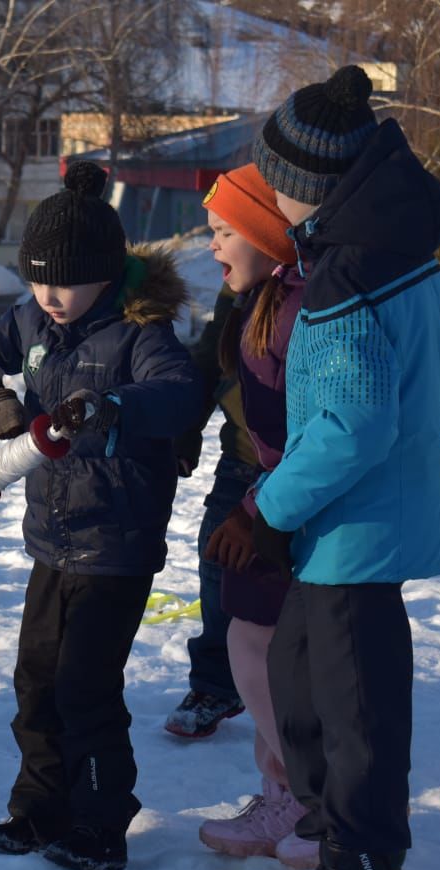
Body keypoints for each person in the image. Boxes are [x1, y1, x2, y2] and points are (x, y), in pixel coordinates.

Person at [0, 161, 204, 870]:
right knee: (37, 682)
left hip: (116, 545)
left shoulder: (139, 333)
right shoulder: (32, 318)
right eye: (37, 279)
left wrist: (119, 407)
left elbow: (179, 394)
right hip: (51, 541)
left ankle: (99, 824)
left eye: (66, 282)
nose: (49, 296)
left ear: (107, 276)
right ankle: (39, 808)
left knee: (85, 687)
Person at [247, 65, 440, 870]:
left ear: (306, 188)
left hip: (354, 537)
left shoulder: (348, 276)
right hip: (346, 531)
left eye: (275, 182)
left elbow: (353, 427)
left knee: (356, 715)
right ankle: (340, 852)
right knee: (301, 684)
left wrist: (266, 510)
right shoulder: (393, 249)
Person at [184, 165, 309, 863]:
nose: (212, 245)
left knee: (260, 649)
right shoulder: (254, 303)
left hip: (291, 504)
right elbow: (209, 367)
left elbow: (314, 434)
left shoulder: (297, 309)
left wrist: (260, 508)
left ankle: (308, 792)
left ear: (267, 234)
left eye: (224, 231)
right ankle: (284, 792)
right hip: (265, 491)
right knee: (251, 641)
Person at [166, 281, 249, 740]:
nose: (214, 244)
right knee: (217, 562)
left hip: (307, 460)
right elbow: (211, 353)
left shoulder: (319, 275)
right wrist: (185, 425)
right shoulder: (238, 286)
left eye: (227, 230)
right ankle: (216, 685)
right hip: (242, 457)